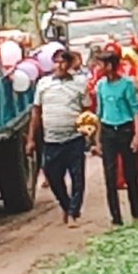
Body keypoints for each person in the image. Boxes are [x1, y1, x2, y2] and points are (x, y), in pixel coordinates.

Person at [27, 50, 89, 227]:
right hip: (52, 140)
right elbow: (36, 112)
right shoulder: (43, 84)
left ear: (69, 65)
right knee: (53, 177)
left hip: (74, 138)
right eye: (55, 62)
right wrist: (31, 139)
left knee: (78, 178)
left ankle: (73, 212)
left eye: (62, 62)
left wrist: (89, 133)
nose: (59, 66)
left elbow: (86, 110)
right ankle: (66, 204)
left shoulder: (79, 84)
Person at [93, 51, 138, 226]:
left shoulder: (126, 84)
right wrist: (97, 139)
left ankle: (137, 214)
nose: (98, 68)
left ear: (109, 66)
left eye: (101, 65)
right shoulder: (100, 86)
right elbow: (99, 113)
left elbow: (135, 110)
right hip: (108, 132)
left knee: (131, 174)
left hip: (125, 130)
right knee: (109, 175)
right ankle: (116, 218)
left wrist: (137, 136)